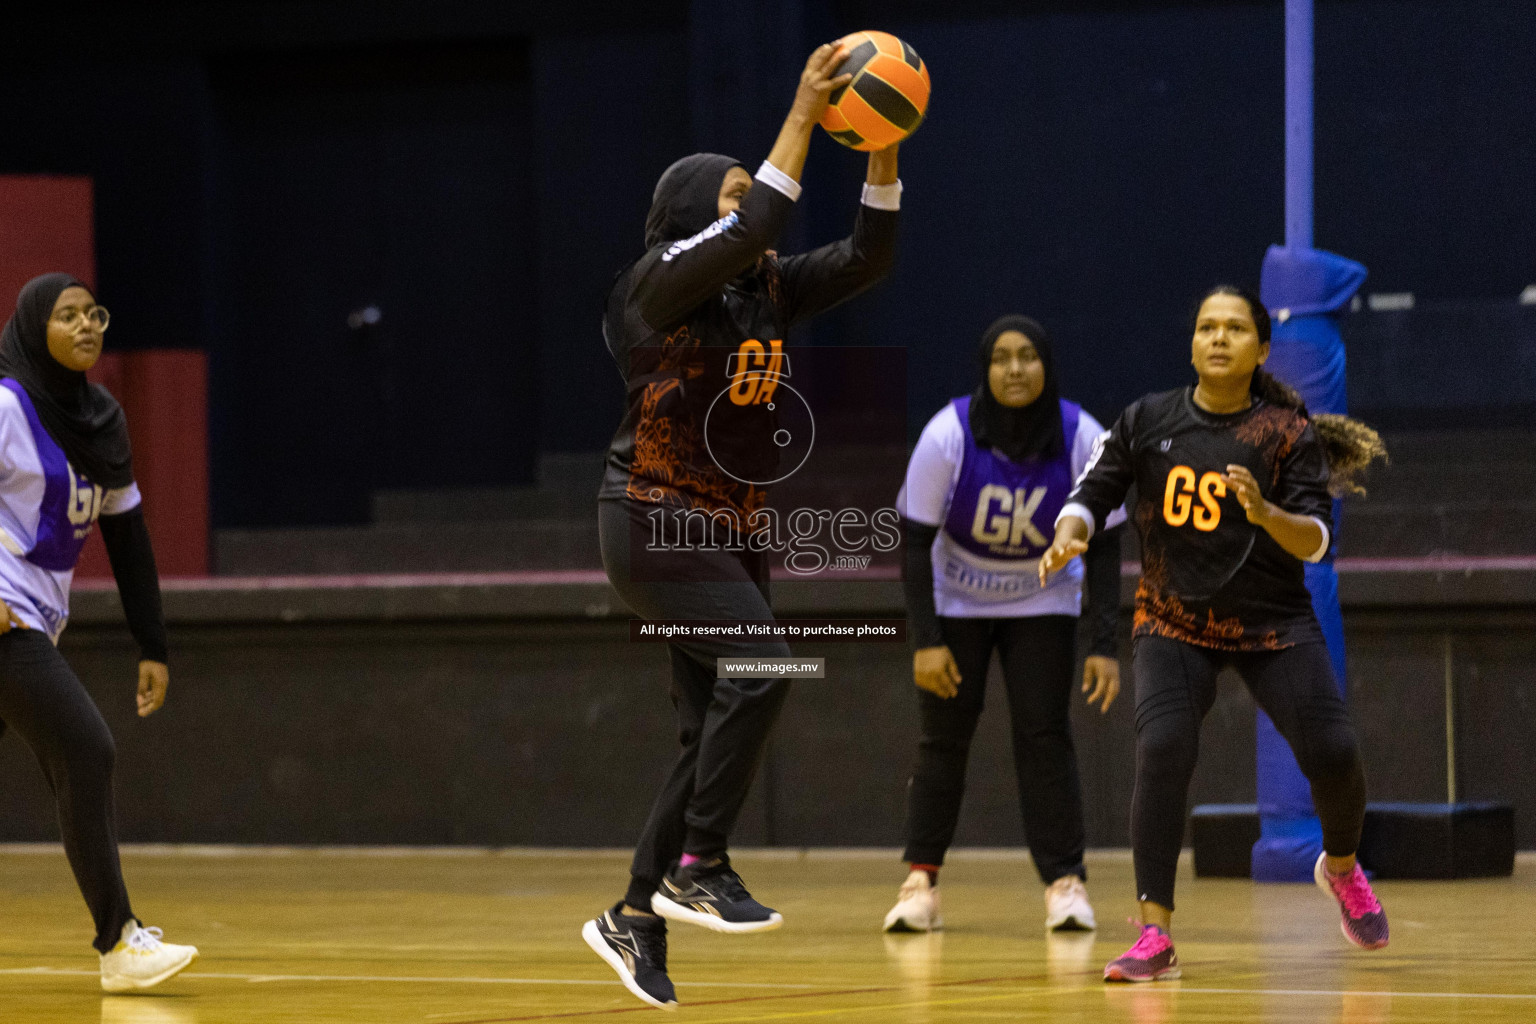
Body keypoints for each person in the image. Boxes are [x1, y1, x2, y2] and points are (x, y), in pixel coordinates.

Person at [583, 41, 903, 1009]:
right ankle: (699, 862)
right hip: (650, 514)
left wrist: (883, 146)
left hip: (730, 528)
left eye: (744, 191)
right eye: (726, 194)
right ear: (688, 216)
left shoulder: (763, 287)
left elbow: (867, 254)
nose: (751, 206)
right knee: (766, 666)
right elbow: (761, 213)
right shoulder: (651, 285)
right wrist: (805, 112)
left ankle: (634, 911)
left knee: (702, 731)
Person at [1040, 285, 1390, 982]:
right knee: (1164, 746)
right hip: (1174, 621)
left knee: (1334, 748)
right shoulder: (1148, 420)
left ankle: (1342, 868)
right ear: (1193, 343)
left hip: (1272, 623)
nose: (1219, 338)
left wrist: (1264, 515)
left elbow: (1317, 540)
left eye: (1235, 329)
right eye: (1207, 327)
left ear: (1261, 349)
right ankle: (1153, 934)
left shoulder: (1288, 434)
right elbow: (1089, 493)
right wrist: (1069, 535)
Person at [884, 315, 1125, 935]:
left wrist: (1104, 644)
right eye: (1000, 358)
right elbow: (913, 544)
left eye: (1026, 357)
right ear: (985, 369)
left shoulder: (1082, 435)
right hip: (957, 602)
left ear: (1046, 365)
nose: (1014, 369)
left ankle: (1065, 884)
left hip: (1043, 601)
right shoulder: (948, 434)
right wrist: (927, 642)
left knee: (1044, 736)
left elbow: (1105, 546)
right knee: (943, 741)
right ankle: (920, 884)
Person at [0, 273, 198, 992]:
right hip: (5, 616)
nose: (87, 326)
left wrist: (153, 644)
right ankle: (119, 943)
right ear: (31, 329)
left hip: (37, 621)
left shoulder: (101, 419)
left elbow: (127, 534)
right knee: (86, 750)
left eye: (94, 314)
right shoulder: (6, 406)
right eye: (67, 316)